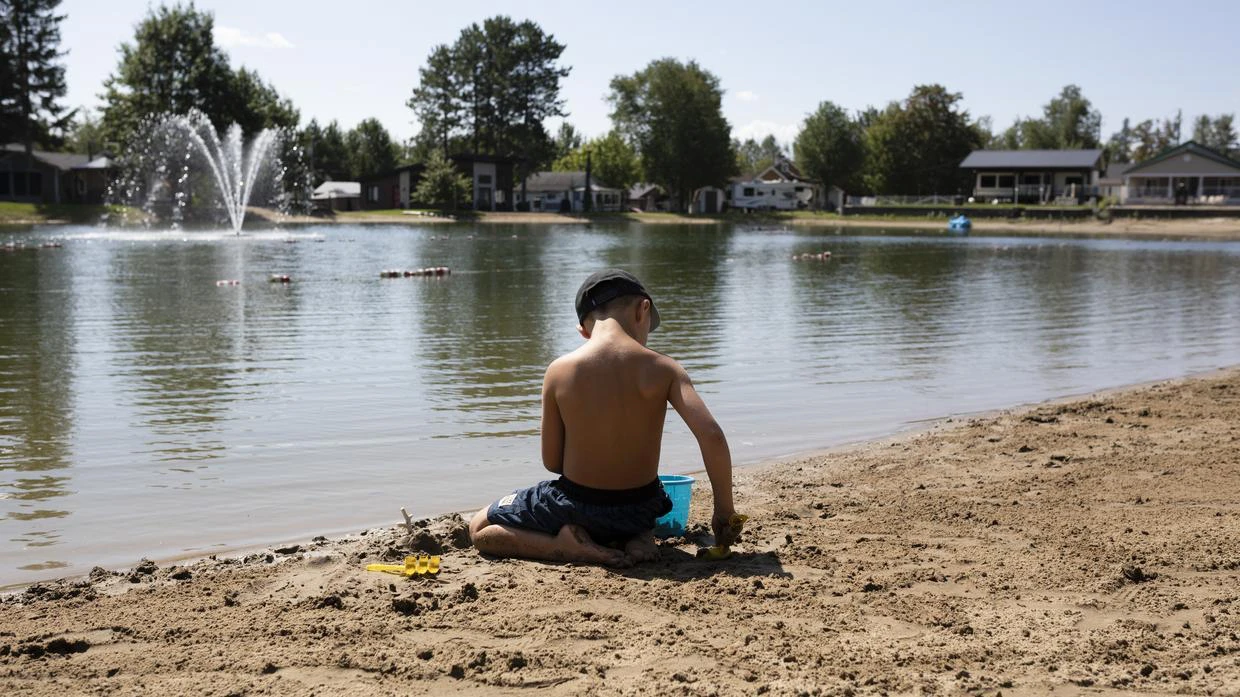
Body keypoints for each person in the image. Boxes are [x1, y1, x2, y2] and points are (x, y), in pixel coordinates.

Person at [469, 269, 737, 566]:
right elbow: (712, 435)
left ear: (583, 330)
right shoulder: (666, 369)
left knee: (479, 527)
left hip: (579, 507)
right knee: (640, 498)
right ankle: (638, 536)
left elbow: (552, 462)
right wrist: (724, 512)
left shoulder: (559, 371)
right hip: (641, 508)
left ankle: (565, 547)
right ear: (643, 309)